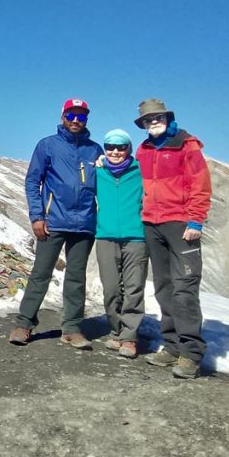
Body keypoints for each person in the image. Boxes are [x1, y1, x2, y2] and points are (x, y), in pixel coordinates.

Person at [9, 98, 102, 350]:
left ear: (86, 120)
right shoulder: (47, 145)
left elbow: (104, 186)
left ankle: (71, 328)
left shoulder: (95, 151)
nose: (75, 120)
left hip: (84, 224)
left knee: (76, 277)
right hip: (52, 221)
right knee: (41, 273)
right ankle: (24, 324)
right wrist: (37, 216)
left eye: (81, 117)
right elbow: (33, 181)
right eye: (71, 115)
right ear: (63, 116)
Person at [133, 98, 212, 379]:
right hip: (152, 224)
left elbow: (199, 183)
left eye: (157, 117)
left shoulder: (186, 144)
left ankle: (191, 354)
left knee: (185, 287)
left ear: (167, 117)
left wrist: (196, 219)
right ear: (142, 124)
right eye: (147, 120)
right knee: (164, 287)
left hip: (180, 225)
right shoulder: (143, 150)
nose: (153, 122)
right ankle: (172, 345)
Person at [94, 128, 147, 359]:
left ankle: (129, 337)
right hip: (105, 236)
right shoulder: (98, 171)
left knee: (134, 288)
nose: (115, 151)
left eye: (121, 147)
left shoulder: (141, 170)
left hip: (136, 237)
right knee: (111, 289)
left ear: (129, 149)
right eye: (110, 147)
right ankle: (116, 331)